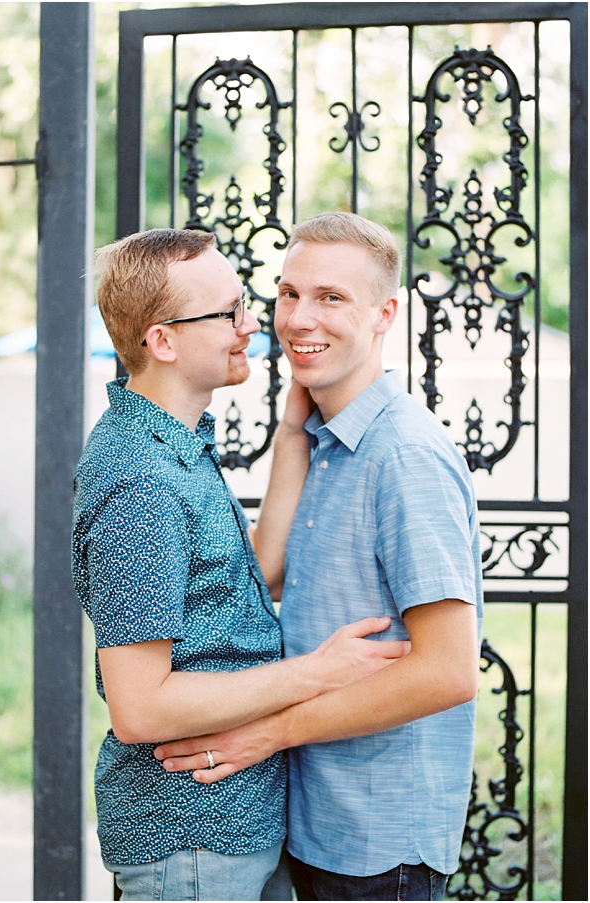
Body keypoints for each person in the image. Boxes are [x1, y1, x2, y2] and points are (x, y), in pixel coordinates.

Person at [74, 228, 410, 901]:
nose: (254, 324)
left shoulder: (175, 444)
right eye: (228, 313)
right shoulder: (141, 477)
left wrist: (291, 433)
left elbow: (256, 578)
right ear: (162, 340)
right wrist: (317, 672)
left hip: (227, 829)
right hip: (193, 840)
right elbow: (140, 707)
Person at [154, 212, 482, 901]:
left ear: (385, 313)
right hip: (315, 824)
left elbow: (449, 671)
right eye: (288, 293)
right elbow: (263, 574)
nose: (300, 317)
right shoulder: (325, 444)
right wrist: (291, 433)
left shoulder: (404, 456)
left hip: (378, 847)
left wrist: (266, 733)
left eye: (331, 298)